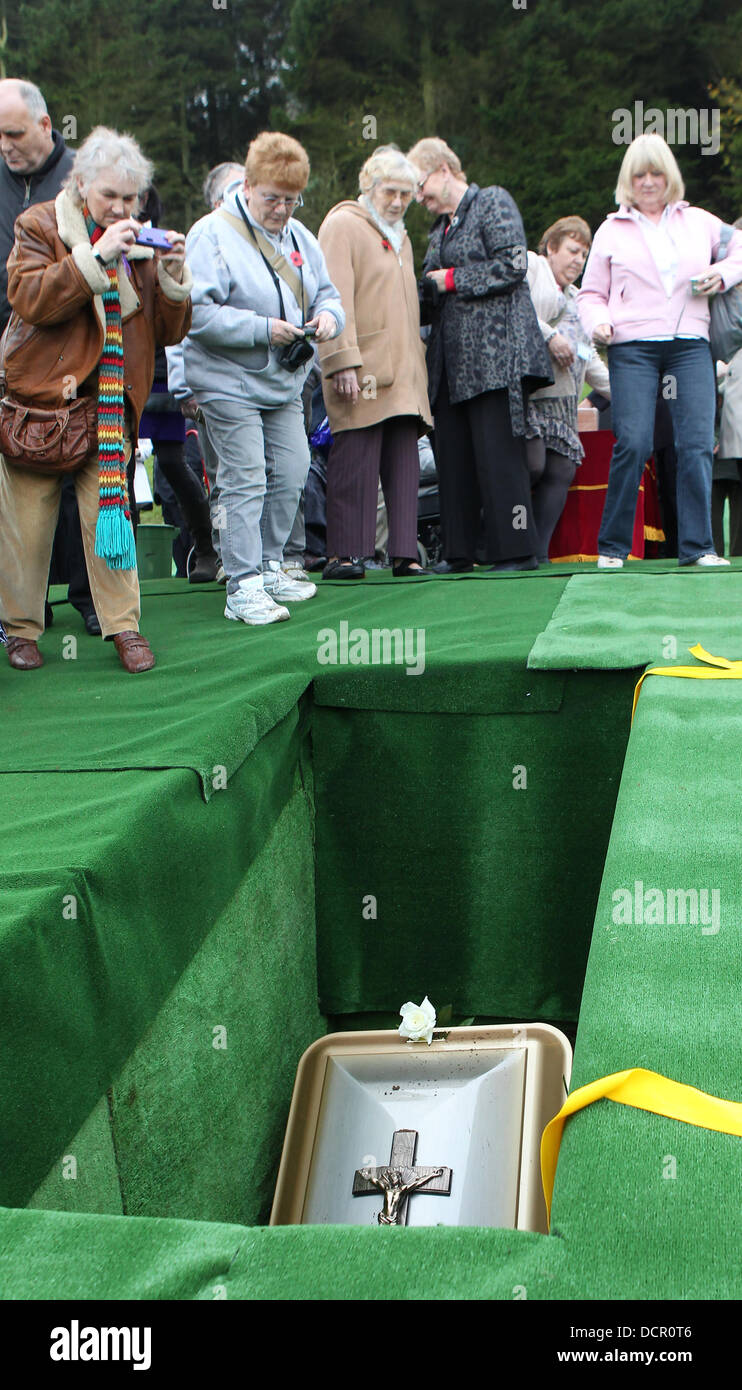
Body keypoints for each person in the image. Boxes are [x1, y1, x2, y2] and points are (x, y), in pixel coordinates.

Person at [0, 125, 192, 672]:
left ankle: (124, 628)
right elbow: (29, 297)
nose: (121, 207)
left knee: (111, 521)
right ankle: (19, 631)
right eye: (110, 195)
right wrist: (94, 259)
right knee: (26, 530)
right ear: (81, 185)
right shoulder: (38, 223)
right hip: (39, 402)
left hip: (108, 408)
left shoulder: (141, 244)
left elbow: (167, 330)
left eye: (131, 198)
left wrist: (174, 276)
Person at [183, 131, 344, 624]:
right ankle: (242, 582)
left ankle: (272, 564)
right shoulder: (209, 235)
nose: (282, 210)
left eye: (292, 200)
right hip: (225, 380)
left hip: (283, 383)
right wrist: (262, 330)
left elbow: (329, 294)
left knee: (294, 470)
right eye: (272, 198)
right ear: (248, 184)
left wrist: (330, 319)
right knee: (244, 476)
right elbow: (194, 315)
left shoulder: (301, 237)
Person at [577, 133, 742, 569]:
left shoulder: (701, 222)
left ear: (670, 177)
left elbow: (739, 250)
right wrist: (599, 322)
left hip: (691, 344)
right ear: (627, 181)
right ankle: (612, 547)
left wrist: (721, 275)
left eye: (656, 173)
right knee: (633, 441)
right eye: (639, 174)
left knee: (695, 444)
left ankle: (699, 546)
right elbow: (590, 294)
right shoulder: (610, 231)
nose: (648, 182)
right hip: (631, 348)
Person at [407, 136, 553, 572]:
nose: (418, 198)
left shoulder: (491, 201)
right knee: (453, 456)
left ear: (443, 170)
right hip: (449, 363)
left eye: (420, 186)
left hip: (494, 354)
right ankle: (459, 551)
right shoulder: (438, 230)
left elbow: (513, 264)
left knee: (498, 456)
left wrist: (449, 279)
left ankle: (517, 551)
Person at [0, 77, 101, 633]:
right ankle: (22, 609)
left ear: (45, 125)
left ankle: (91, 599)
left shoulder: (87, 179)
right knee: (16, 496)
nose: (5, 146)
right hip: (10, 360)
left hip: (76, 355)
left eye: (13, 133)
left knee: (79, 487)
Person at [316, 145, 432, 578]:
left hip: (404, 367)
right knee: (356, 454)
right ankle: (344, 554)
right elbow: (334, 297)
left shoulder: (400, 234)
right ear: (368, 186)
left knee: (404, 456)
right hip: (360, 365)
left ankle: (405, 552)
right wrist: (341, 360)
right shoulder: (342, 224)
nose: (399, 202)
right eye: (390, 192)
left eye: (406, 194)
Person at [525, 216, 611, 561]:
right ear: (551, 248)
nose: (578, 260)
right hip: (527, 395)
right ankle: (497, 542)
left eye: (584, 254)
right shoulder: (533, 268)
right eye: (573, 251)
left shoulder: (579, 300)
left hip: (562, 403)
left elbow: (588, 359)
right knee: (531, 465)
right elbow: (519, 313)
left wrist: (625, 394)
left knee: (562, 470)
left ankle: (538, 553)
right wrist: (550, 336)